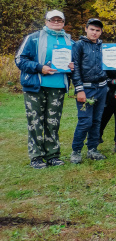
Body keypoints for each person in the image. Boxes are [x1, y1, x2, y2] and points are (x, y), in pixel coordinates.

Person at [15, 10, 74, 169]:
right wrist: (40, 68)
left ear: (63, 22)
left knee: (52, 123)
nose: (56, 22)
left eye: (59, 20)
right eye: (52, 19)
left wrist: (73, 66)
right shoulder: (33, 38)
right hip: (36, 87)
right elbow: (20, 59)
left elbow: (75, 63)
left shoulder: (69, 41)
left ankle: (53, 155)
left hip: (58, 87)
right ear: (46, 21)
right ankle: (36, 157)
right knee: (35, 123)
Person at [70, 18, 109, 164]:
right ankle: (76, 151)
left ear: (101, 32)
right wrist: (79, 89)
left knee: (96, 120)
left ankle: (92, 149)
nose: (94, 32)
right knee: (85, 120)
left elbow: (109, 67)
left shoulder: (103, 47)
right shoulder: (79, 45)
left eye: (98, 30)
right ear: (86, 29)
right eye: (92, 29)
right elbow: (75, 69)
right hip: (85, 88)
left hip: (102, 87)